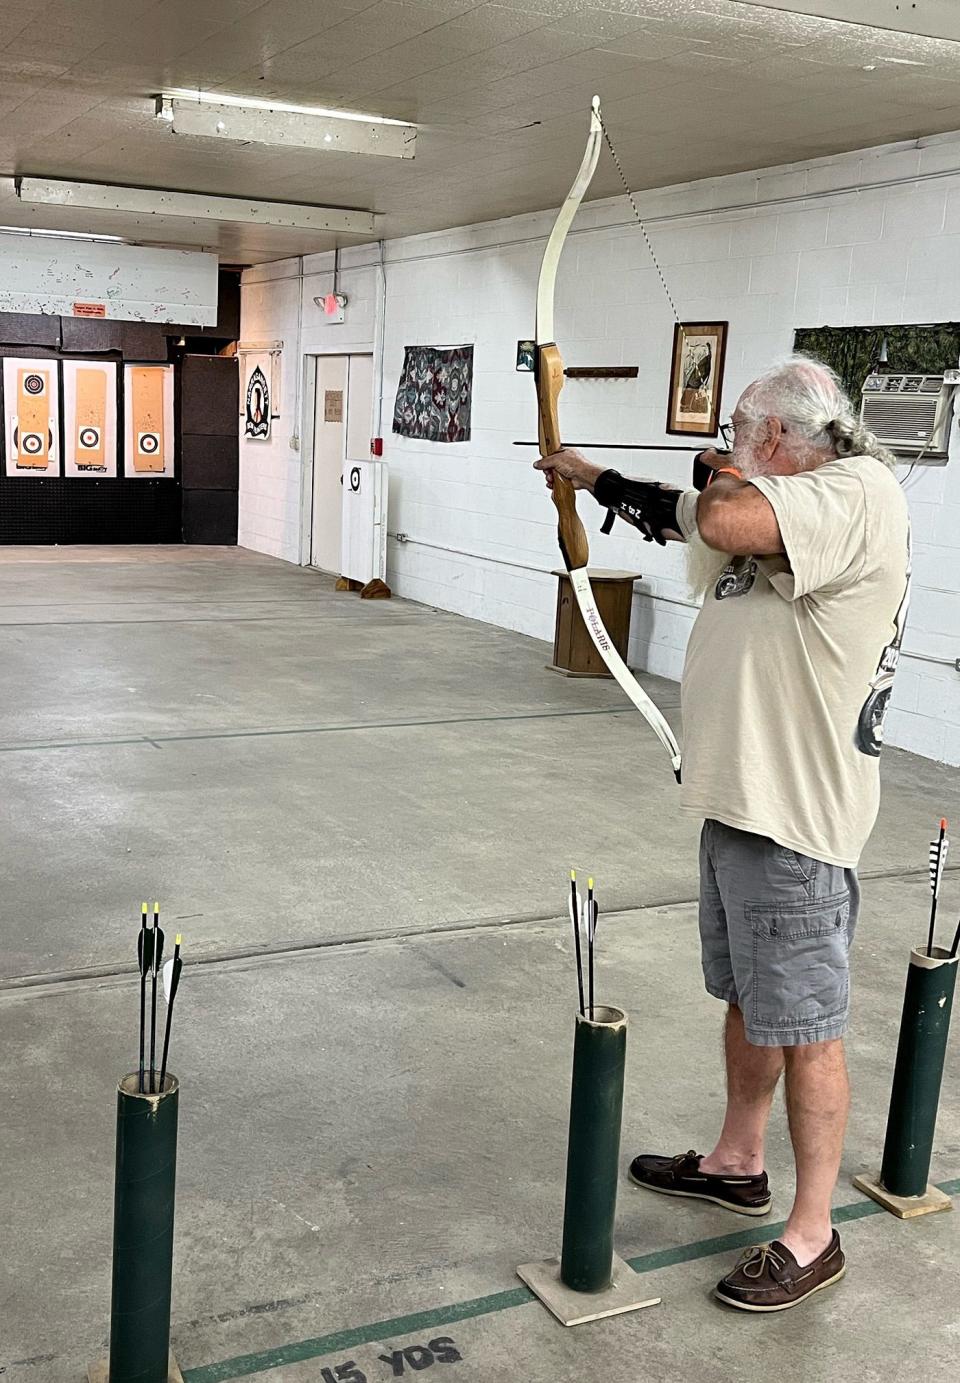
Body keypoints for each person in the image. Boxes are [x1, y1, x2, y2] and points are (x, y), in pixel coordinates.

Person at [535, 355, 909, 1313]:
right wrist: (589, 479)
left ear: (779, 438)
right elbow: (686, 516)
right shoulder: (785, 503)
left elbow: (720, 515)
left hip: (797, 818)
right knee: (749, 998)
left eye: (739, 433)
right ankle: (738, 1161)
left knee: (810, 1026)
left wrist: (723, 474)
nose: (723, 452)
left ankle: (813, 1231)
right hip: (741, 805)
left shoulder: (852, 490)